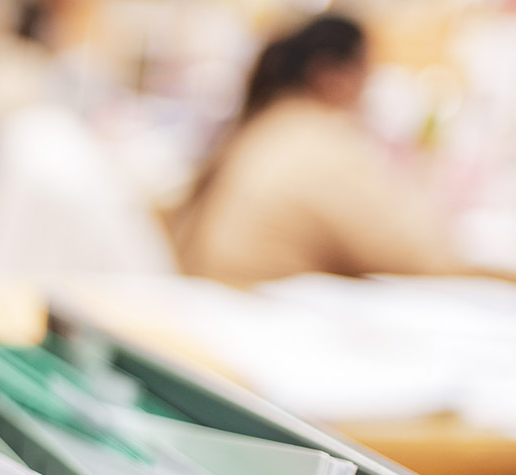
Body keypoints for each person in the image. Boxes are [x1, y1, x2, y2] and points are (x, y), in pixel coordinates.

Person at [170, 15, 465, 287]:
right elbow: (422, 255)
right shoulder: (317, 143)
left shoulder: (268, 124)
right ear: (332, 77)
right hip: (257, 324)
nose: (368, 92)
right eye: (367, 75)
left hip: (218, 313)